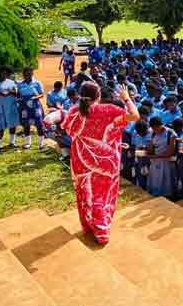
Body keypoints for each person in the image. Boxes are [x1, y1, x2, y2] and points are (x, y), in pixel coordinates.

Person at [61, 81, 139, 244]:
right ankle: (101, 231)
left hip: (80, 161)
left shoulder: (74, 111)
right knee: (102, 194)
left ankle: (89, 226)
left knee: (86, 194)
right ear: (99, 96)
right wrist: (126, 99)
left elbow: (68, 130)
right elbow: (135, 116)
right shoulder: (108, 110)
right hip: (105, 162)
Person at [146, 116, 177, 198]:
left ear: (161, 125)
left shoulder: (170, 133)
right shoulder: (152, 133)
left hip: (167, 162)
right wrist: (148, 150)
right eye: (153, 128)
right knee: (156, 182)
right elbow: (151, 147)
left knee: (167, 183)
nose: (155, 130)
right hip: (155, 163)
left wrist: (155, 156)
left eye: (156, 128)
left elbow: (170, 152)